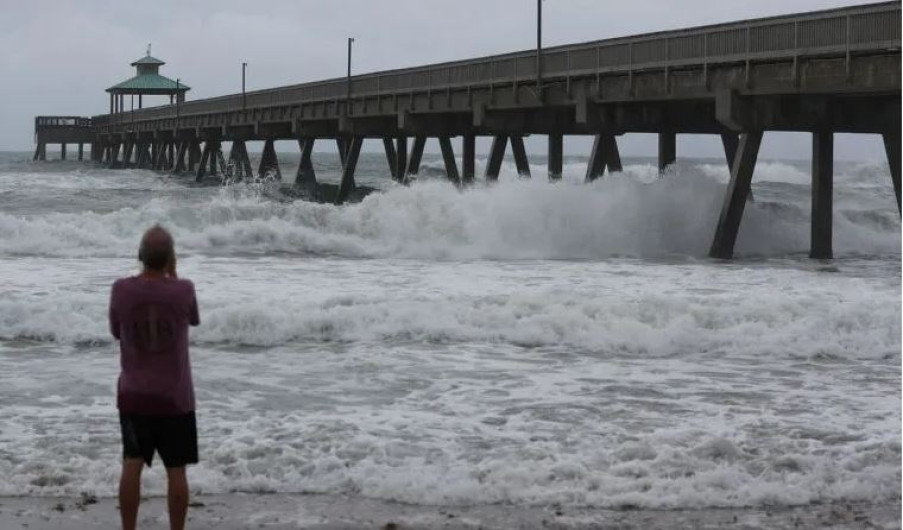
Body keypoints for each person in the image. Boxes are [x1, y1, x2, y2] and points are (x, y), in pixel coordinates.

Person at [109, 225, 200, 530]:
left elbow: (115, 331)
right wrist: (172, 276)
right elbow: (193, 318)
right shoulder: (184, 289)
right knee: (176, 470)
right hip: (175, 398)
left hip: (134, 396)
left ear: (140, 255)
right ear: (171, 258)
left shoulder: (121, 289)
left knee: (131, 464)